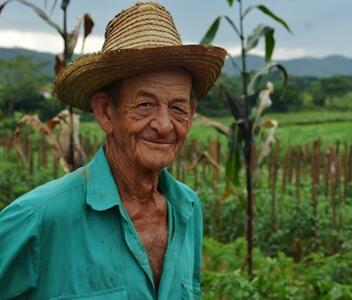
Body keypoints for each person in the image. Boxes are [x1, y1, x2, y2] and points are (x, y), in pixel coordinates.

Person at [0, 2, 226, 299]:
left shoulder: (187, 209)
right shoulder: (39, 218)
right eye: (145, 105)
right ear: (106, 112)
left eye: (178, 108)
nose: (164, 125)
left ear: (192, 113)